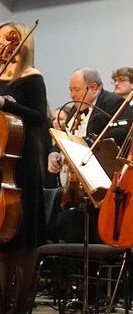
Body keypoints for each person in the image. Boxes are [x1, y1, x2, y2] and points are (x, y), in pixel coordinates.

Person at [0, 21, 49, 314]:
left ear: (22, 42)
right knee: (0, 237)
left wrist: (6, 104)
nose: (2, 43)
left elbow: (38, 118)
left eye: (8, 38)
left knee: (23, 238)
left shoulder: (32, 78)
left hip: (23, 162)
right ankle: (2, 303)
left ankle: (21, 304)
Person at [48, 67, 131, 243]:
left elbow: (120, 134)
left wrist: (84, 143)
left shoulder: (114, 103)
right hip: (72, 188)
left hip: (100, 184)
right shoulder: (74, 109)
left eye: (76, 89)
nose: (72, 95)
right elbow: (63, 136)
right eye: (70, 90)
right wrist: (54, 153)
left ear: (93, 88)